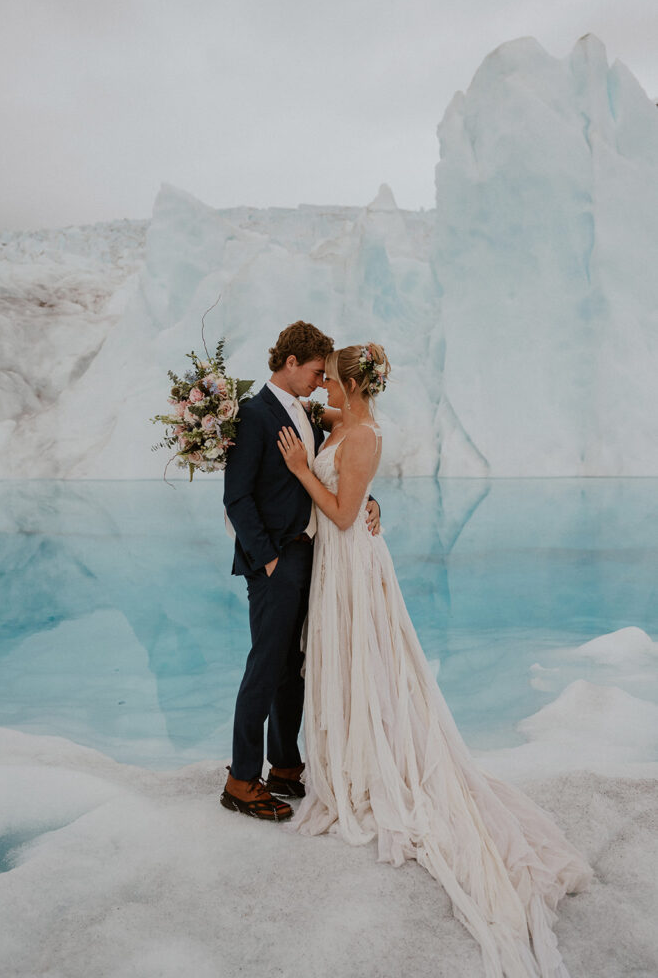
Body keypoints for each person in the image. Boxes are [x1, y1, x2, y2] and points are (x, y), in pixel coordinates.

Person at [276, 343, 592, 978]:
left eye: (331, 383)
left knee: (369, 662)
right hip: (338, 566)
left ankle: (373, 764)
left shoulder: (362, 435)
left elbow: (340, 516)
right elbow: (330, 445)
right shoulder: (343, 422)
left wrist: (301, 472)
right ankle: (348, 754)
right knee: (345, 661)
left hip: (351, 565)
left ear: (353, 387)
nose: (323, 393)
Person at [221, 321, 380, 821]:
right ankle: (241, 779)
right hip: (276, 560)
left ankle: (285, 767)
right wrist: (267, 557)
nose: (319, 381)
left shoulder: (305, 412)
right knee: (265, 667)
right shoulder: (255, 414)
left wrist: (369, 499)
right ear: (291, 364)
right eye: (315, 372)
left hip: (309, 555)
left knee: (293, 667)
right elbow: (237, 496)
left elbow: (335, 468)